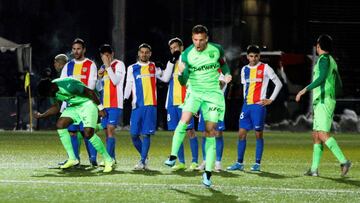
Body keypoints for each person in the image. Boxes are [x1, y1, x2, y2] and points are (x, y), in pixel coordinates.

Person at [164, 25, 232, 187]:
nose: (198, 43)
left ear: (206, 38)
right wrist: (180, 73)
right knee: (183, 121)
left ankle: (208, 173)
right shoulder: (187, 54)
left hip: (212, 96)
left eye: (201, 40)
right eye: (195, 40)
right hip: (194, 93)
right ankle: (173, 156)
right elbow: (182, 81)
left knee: (210, 132)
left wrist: (227, 73)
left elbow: (223, 64)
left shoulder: (217, 49)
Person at [296, 34, 351, 177]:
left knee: (322, 134)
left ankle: (344, 161)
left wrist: (304, 90)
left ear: (319, 45)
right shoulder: (332, 60)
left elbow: (321, 79)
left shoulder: (324, 60)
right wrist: (334, 94)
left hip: (323, 101)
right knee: (316, 135)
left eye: (317, 44)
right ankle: (314, 169)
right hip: (324, 100)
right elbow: (339, 84)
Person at [35, 77, 115, 172]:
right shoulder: (51, 90)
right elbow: (55, 108)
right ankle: (73, 159)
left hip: (88, 103)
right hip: (74, 106)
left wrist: (100, 108)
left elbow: (90, 92)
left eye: (48, 94)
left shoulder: (69, 84)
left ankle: (109, 160)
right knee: (60, 124)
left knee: (88, 133)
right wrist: (42, 115)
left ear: (51, 88)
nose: (49, 96)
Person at [227, 45, 283, 172]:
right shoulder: (244, 70)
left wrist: (271, 99)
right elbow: (245, 88)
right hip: (246, 106)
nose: (253, 58)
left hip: (259, 106)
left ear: (259, 56)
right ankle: (239, 163)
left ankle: (257, 163)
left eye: (256, 56)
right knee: (241, 134)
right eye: (251, 56)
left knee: (258, 134)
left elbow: (278, 84)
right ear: (247, 57)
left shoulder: (265, 68)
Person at [124, 43, 173, 170]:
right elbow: (129, 84)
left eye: (147, 52)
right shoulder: (132, 68)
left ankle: (142, 161)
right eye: (142, 52)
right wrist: (125, 98)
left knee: (146, 134)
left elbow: (166, 78)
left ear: (150, 54)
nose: (144, 54)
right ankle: (144, 156)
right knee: (134, 135)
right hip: (137, 105)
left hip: (151, 105)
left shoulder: (154, 67)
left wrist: (170, 63)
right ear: (139, 53)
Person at [60, 38, 98, 166]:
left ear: (84, 50)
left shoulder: (90, 65)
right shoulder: (68, 65)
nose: (76, 51)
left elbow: (92, 86)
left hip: (86, 104)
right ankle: (75, 159)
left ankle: (93, 158)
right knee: (71, 131)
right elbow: (62, 84)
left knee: (87, 131)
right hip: (72, 105)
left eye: (79, 49)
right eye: (74, 49)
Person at [164, 37, 199, 171]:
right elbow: (166, 78)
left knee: (190, 131)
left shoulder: (189, 60)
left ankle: (195, 161)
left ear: (182, 48)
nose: (174, 50)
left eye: (176, 47)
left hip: (186, 102)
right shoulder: (171, 62)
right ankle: (182, 162)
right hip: (173, 103)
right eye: (171, 48)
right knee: (176, 132)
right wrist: (171, 64)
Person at [97, 44, 126, 164]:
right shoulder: (103, 67)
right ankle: (112, 158)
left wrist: (108, 66)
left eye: (108, 55)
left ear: (112, 54)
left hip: (115, 103)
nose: (106, 58)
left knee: (110, 130)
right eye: (104, 56)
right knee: (106, 131)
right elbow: (98, 88)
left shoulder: (119, 64)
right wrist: (99, 77)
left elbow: (115, 81)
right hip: (105, 105)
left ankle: (108, 159)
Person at [197, 74, 227, 172]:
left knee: (218, 134)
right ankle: (205, 161)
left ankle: (218, 162)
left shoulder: (221, 72)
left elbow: (221, 84)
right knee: (205, 134)